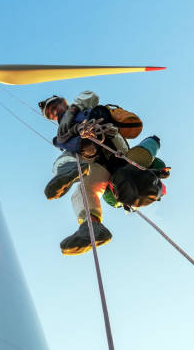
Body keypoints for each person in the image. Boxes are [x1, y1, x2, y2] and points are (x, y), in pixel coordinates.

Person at [39, 91, 169, 255]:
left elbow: (90, 95)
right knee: (83, 188)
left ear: (62, 102)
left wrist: (72, 111)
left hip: (110, 143)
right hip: (96, 161)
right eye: (50, 112)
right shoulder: (62, 134)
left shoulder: (81, 107)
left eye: (54, 106)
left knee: (71, 154)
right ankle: (92, 228)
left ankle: (69, 169)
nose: (54, 111)